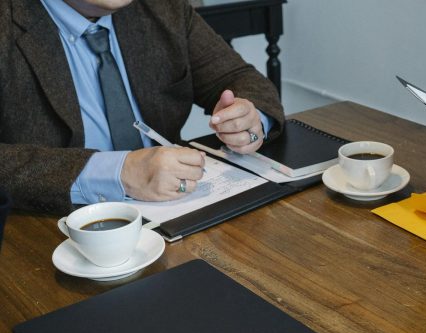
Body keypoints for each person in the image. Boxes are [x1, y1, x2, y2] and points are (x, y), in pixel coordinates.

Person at [0, 0, 284, 214]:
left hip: (174, 210)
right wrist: (117, 172)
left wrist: (249, 118)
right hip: (44, 225)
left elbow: (239, 79)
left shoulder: (162, 8)